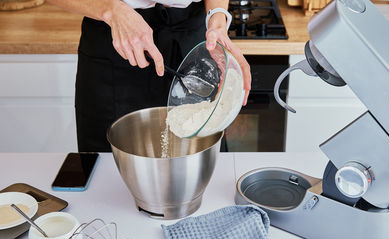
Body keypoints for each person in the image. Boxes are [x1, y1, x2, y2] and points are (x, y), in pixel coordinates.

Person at [46, 0, 251, 152]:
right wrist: (112, 10)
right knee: (106, 177)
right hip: (114, 36)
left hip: (193, 38)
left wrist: (217, 19)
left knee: (204, 167)